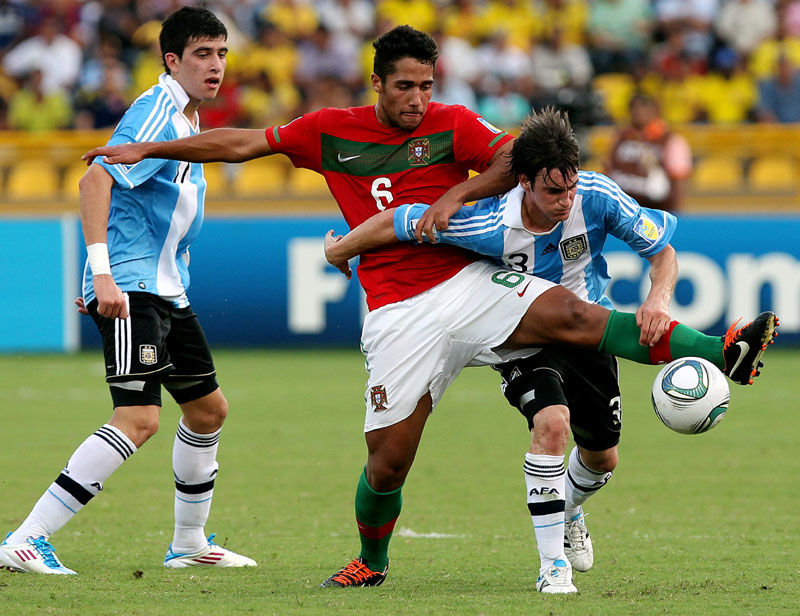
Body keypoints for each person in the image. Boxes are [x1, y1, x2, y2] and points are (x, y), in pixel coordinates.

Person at [80, 26, 776, 590]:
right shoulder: (329, 130)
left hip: (469, 282)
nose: (418, 99)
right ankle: (371, 561)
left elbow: (515, 158)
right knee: (388, 461)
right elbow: (243, 144)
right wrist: (149, 147)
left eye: (427, 86)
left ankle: (725, 350)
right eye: (405, 86)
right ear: (376, 83)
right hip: (396, 311)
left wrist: (453, 196)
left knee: (572, 315)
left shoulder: (452, 124)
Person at [322, 107, 778, 593]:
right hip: (524, 338)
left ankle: (569, 508)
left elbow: (662, 252)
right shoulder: (488, 222)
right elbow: (399, 220)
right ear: (524, 182)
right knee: (552, 424)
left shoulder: (598, 195)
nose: (566, 200)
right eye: (553, 191)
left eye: (571, 187)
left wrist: (658, 300)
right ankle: (553, 567)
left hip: (589, 329)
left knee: (602, 459)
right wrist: (340, 249)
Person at [0, 7, 256, 575]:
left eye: (221, 54)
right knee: (138, 418)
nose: (215, 65)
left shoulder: (187, 120)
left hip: (164, 289)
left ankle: (188, 543)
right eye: (202, 54)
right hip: (133, 285)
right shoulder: (157, 109)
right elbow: (95, 179)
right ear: (172, 61)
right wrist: (102, 275)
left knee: (207, 410)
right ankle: (27, 538)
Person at [604, 93, 692, 213]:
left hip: (656, 210)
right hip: (623, 210)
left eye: (644, 107)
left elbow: (678, 179)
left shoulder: (671, 140)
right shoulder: (620, 137)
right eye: (634, 107)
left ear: (655, 110)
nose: (638, 111)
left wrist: (676, 214)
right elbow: (609, 168)